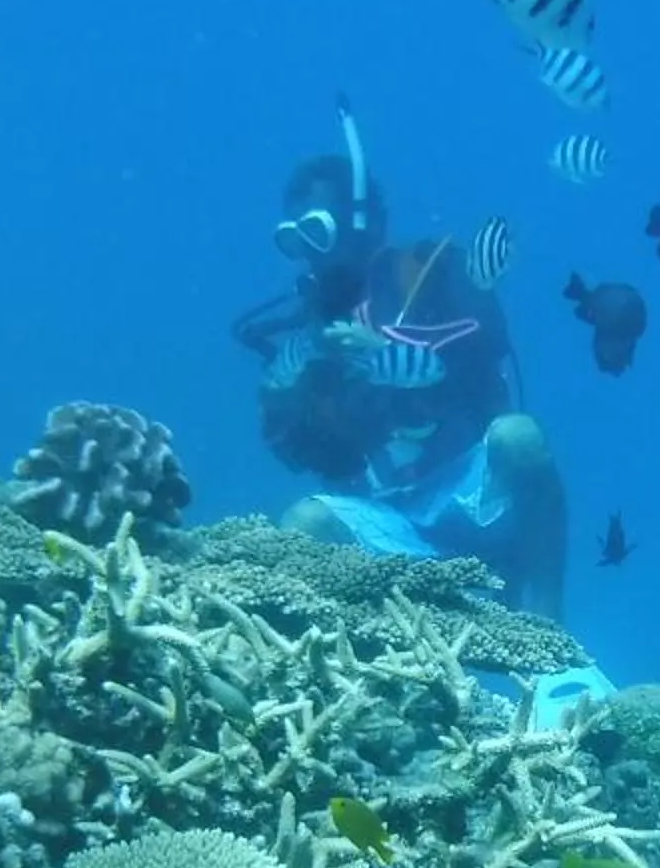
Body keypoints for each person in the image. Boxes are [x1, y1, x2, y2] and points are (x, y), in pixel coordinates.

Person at [230, 99, 571, 618]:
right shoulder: (305, 332)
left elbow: (491, 345)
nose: (309, 251)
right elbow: (313, 459)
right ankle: (353, 673)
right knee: (303, 526)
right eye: (294, 239)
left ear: (361, 221)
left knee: (519, 438)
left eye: (317, 231)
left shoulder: (429, 271)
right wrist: (296, 400)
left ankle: (549, 636)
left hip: (471, 490)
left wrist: (397, 361)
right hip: (387, 516)